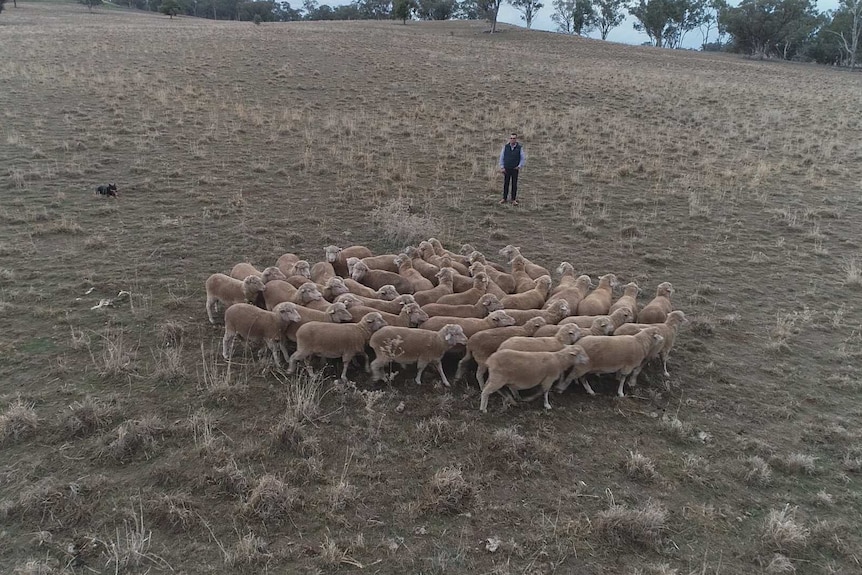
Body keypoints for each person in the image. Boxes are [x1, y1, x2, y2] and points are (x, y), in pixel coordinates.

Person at [498, 133, 526, 205]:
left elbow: (522, 158)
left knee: (514, 184)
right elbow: (502, 157)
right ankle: (504, 198)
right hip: (506, 168)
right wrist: (502, 167)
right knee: (506, 184)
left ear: (516, 139)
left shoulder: (519, 148)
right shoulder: (505, 147)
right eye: (511, 138)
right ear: (509, 139)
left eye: (514, 138)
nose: (512, 140)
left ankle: (513, 199)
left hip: (515, 169)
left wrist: (519, 166)